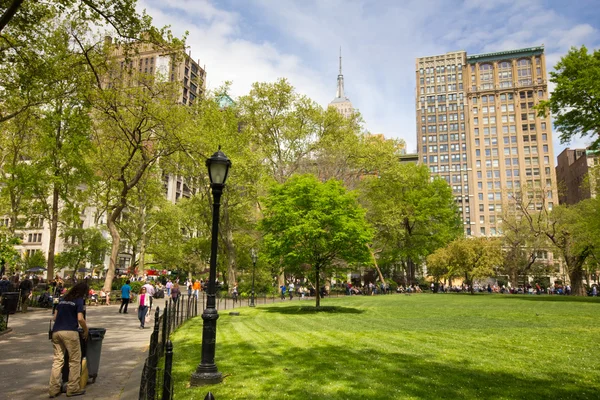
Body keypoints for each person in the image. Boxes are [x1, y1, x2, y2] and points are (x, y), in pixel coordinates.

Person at [48, 282, 88, 398]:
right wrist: (85, 329)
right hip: (70, 331)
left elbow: (54, 317)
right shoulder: (79, 300)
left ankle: (53, 389)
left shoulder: (62, 299)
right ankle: (72, 388)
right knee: (74, 360)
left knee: (58, 360)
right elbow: (80, 318)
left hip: (56, 331)